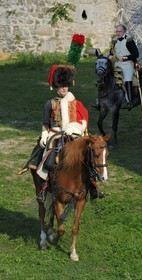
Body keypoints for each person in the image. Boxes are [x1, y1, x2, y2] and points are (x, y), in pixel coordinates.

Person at [35, 65, 105, 201]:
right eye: (61, 86)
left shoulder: (75, 103)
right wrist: (44, 134)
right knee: (49, 153)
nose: (64, 88)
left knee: (87, 154)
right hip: (55, 132)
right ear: (56, 87)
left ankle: (93, 186)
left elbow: (83, 117)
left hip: (73, 131)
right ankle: (43, 185)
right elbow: (45, 123)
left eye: (66, 86)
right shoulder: (50, 104)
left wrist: (75, 128)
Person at [109, 24, 139, 109]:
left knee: (127, 79)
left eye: (119, 31)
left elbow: (136, 54)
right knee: (107, 77)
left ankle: (129, 101)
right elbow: (111, 52)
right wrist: (109, 56)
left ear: (124, 31)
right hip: (117, 64)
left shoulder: (129, 41)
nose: (118, 33)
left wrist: (126, 57)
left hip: (127, 64)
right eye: (117, 31)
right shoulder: (114, 41)